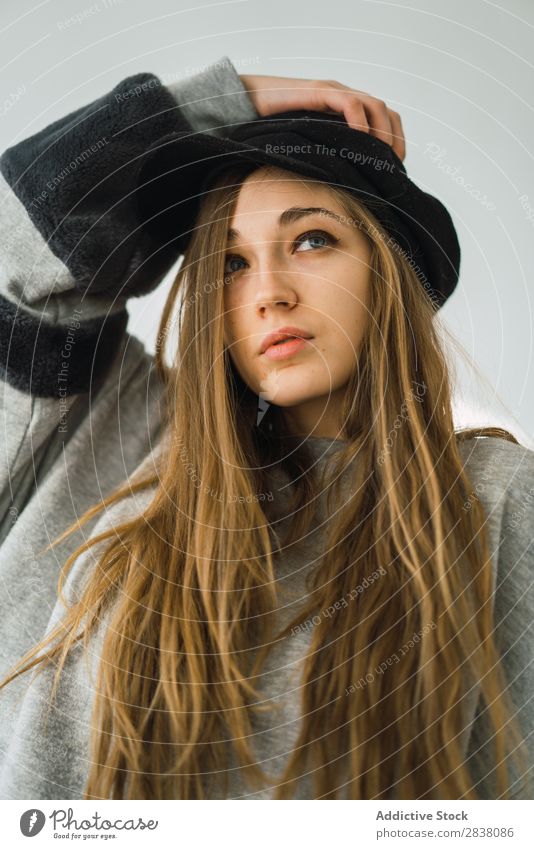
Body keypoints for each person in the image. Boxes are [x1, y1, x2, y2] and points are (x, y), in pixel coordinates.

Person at [0, 55, 532, 802]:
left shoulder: (495, 499)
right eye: (230, 262)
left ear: (390, 270)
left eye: (312, 239)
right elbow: (13, 255)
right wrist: (222, 102)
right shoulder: (109, 428)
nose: (269, 294)